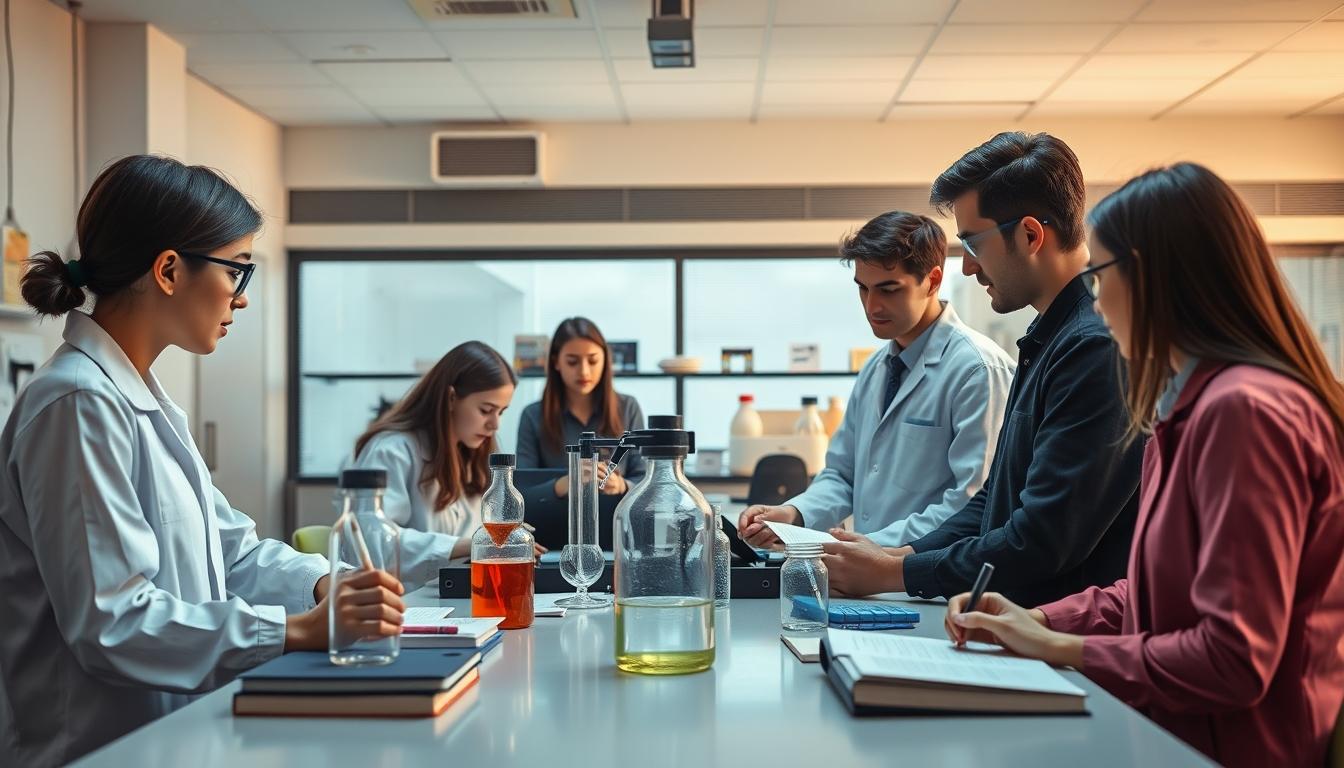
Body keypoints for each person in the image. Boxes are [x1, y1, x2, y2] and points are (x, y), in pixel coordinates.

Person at [0, 155, 404, 768]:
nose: (242, 298)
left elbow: (231, 553)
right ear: (168, 270)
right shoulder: (77, 403)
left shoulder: (139, 400)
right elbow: (112, 621)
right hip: (93, 750)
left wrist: (325, 584)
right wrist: (297, 630)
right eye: (236, 270)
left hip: (170, 737)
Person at [944, 162, 1344, 768]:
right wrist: (1040, 618)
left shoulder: (1244, 412)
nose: (1096, 299)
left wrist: (1060, 648)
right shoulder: (1188, 405)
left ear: (1157, 279)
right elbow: (1157, 594)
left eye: (1101, 275)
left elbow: (1233, 659)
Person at [822, 132, 1143, 606]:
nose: (969, 268)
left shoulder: (1092, 348)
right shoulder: (1047, 340)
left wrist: (896, 573)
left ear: (1030, 235)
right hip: (1015, 625)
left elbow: (1041, 538)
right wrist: (898, 556)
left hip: (1059, 634)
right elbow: (993, 502)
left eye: (973, 243)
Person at [738, 211, 1014, 547]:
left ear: (933, 280)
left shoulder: (978, 370)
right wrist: (794, 513)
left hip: (931, 573)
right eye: (863, 289)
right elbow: (843, 475)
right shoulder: (875, 369)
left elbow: (972, 504)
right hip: (870, 570)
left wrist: (868, 548)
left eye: (889, 289)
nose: (872, 306)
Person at [348, 341, 542, 583]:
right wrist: (469, 545)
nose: (495, 424)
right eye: (486, 410)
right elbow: (372, 544)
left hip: (458, 594)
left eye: (501, 412)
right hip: (404, 599)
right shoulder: (391, 451)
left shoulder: (472, 455)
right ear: (451, 398)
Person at [515, 317, 645, 497]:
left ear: (605, 360)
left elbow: (645, 479)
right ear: (556, 362)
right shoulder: (533, 415)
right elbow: (522, 490)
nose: (584, 371)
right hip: (556, 515)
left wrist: (622, 485)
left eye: (592, 361)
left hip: (617, 514)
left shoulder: (628, 408)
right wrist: (566, 483)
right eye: (572, 362)